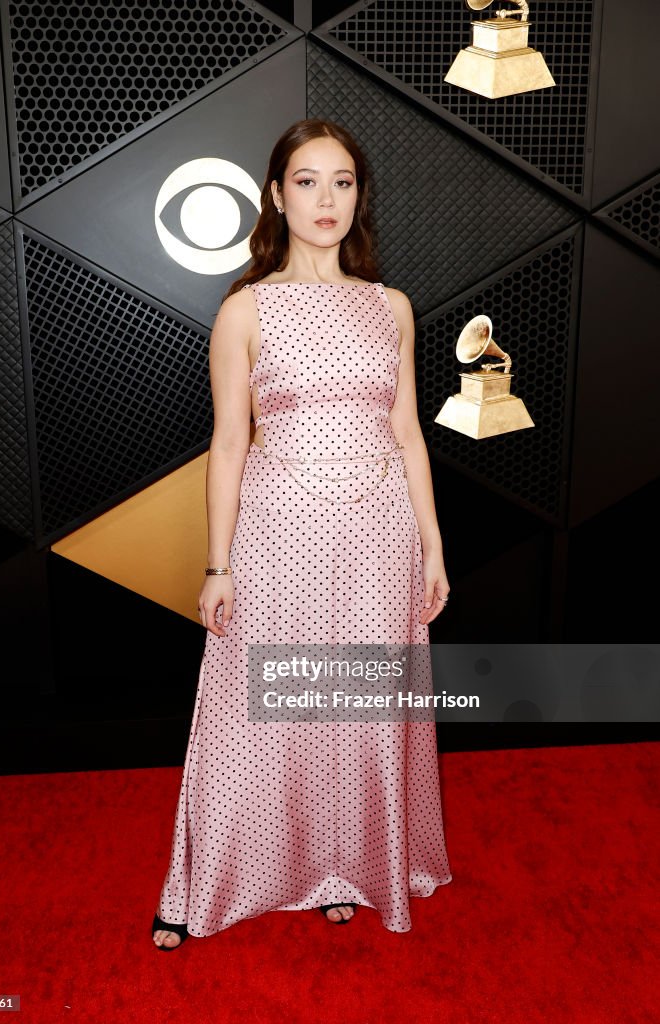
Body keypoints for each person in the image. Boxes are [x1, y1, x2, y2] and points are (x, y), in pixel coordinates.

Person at [152, 118, 452, 950]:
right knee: (254, 710)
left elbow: (407, 433)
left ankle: (344, 866)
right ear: (277, 197)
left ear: (360, 196)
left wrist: (431, 545)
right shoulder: (244, 310)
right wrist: (218, 565)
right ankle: (206, 878)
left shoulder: (391, 307)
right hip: (278, 533)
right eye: (308, 181)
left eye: (343, 182)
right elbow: (228, 443)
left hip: (378, 536)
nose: (327, 199)